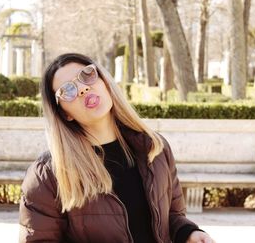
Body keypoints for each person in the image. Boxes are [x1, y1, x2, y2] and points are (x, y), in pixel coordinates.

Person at [19, 53, 215, 243]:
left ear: (104, 81)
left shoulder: (155, 149)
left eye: (87, 75)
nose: (82, 89)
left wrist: (188, 233)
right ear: (65, 114)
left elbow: (173, 215)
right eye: (67, 91)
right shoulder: (47, 175)